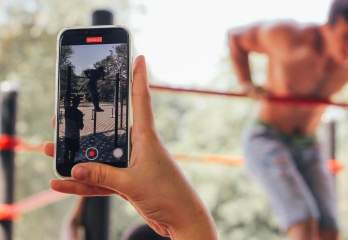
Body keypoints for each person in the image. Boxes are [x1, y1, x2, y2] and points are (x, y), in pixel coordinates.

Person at [227, 0, 348, 240]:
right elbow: (236, 37)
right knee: (304, 219)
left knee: (329, 229)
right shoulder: (290, 38)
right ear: (326, 29)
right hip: (267, 137)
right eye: (346, 37)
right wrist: (245, 81)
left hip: (309, 145)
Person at [44, 55, 218, 240]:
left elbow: (70, 226)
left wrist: (189, 223)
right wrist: (189, 223)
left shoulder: (92, 80)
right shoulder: (93, 76)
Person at [64, 96, 84, 164]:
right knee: (73, 153)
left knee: (66, 151)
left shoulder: (67, 110)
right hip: (75, 136)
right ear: (79, 103)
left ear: (72, 102)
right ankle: (70, 165)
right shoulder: (79, 113)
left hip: (67, 135)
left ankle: (65, 164)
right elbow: (81, 127)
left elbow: (66, 99)